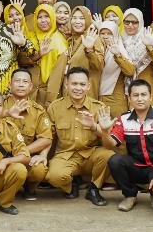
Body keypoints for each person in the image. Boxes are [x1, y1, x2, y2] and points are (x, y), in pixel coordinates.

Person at [45, 66, 117, 206]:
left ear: (88, 86)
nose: (78, 88)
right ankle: (71, 185)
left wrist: (94, 127)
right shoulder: (55, 107)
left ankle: (94, 189)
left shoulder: (99, 108)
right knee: (54, 177)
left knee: (108, 155)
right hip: (66, 155)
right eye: (74, 84)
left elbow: (109, 143)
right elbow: (48, 137)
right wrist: (43, 155)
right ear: (66, 85)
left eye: (82, 84)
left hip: (90, 154)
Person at [107, 79, 153, 211]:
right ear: (129, 98)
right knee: (114, 161)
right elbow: (111, 143)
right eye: (135, 95)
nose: (140, 99)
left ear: (151, 97)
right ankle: (130, 195)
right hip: (136, 166)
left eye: (144, 95)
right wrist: (103, 131)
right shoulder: (124, 119)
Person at [4, 69, 53, 199]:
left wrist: (22, 152)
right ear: (9, 84)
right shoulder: (0, 106)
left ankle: (29, 188)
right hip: (1, 158)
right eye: (17, 81)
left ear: (31, 86)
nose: (21, 84)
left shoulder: (38, 111)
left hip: (25, 157)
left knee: (39, 169)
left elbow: (46, 139)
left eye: (25, 82)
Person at [46, 5, 94, 100]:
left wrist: (89, 50)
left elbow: (99, 65)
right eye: (74, 18)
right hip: (68, 94)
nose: (77, 21)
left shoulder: (93, 38)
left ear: (88, 20)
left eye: (81, 18)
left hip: (85, 96)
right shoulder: (72, 39)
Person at [91, 20, 138, 117]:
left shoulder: (119, 49)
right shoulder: (97, 49)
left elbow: (130, 71)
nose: (105, 36)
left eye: (109, 33)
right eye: (102, 33)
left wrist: (117, 55)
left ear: (116, 35)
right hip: (98, 97)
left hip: (115, 99)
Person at [25, 2, 67, 106]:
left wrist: (50, 99)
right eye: (39, 17)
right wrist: (38, 55)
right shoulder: (31, 37)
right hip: (30, 94)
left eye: (47, 16)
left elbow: (58, 74)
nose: (43, 20)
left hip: (47, 96)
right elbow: (22, 61)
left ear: (53, 18)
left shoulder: (59, 41)